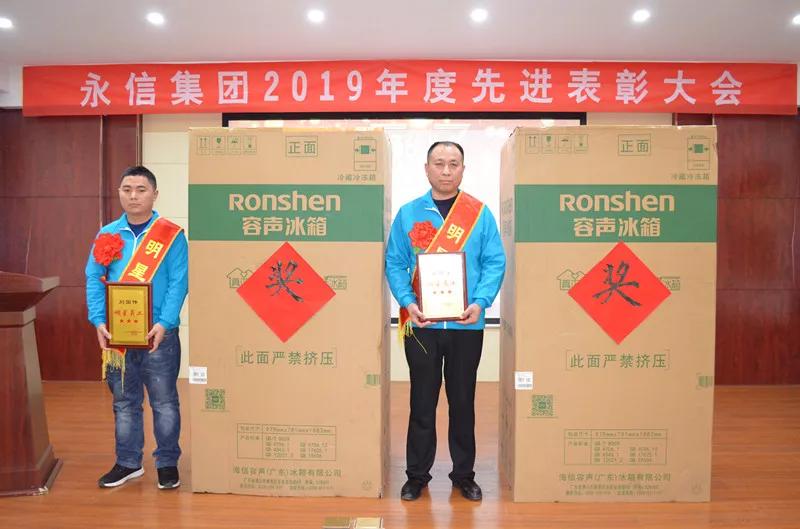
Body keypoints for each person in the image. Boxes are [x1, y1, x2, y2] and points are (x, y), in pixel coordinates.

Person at [385, 141, 505, 501]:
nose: (447, 170)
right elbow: (395, 262)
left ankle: (463, 475)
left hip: (467, 325)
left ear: (463, 169)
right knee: (422, 402)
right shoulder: (408, 213)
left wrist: (481, 302)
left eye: (454, 163)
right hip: (421, 325)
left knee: (463, 402)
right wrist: (408, 302)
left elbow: (494, 262)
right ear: (427, 169)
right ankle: (417, 476)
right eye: (439, 163)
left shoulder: (479, 214)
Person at [85, 165, 188, 489]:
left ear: (154, 194)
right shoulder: (107, 235)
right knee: (124, 402)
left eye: (141, 190)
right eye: (127, 189)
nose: (133, 196)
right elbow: (93, 278)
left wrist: (164, 323)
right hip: (118, 336)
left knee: (164, 402)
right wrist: (98, 320)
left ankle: (167, 463)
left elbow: (179, 282)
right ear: (119, 193)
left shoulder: (171, 235)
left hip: (159, 335)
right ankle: (128, 462)